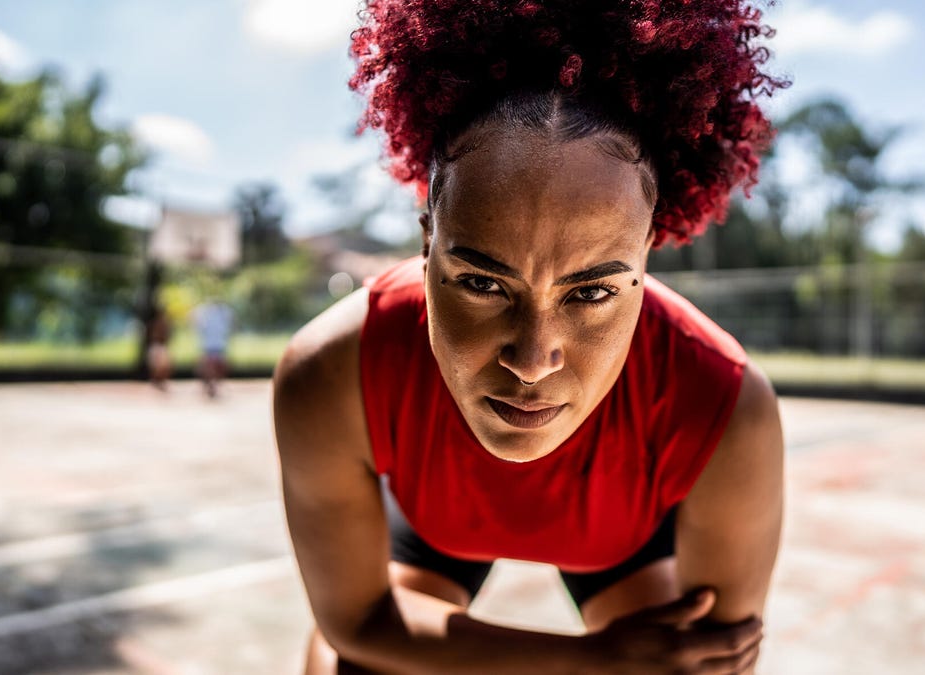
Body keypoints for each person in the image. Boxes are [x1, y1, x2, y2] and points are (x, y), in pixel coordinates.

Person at [274, 1, 788, 672]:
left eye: (592, 291)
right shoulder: (334, 372)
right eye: (483, 283)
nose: (533, 360)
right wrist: (590, 661)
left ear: (646, 252)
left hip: (623, 543)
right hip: (438, 531)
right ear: (428, 241)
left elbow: (718, 657)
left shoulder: (723, 406)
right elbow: (356, 621)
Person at [192, 296, 233, 398]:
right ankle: (209, 385)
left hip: (217, 345)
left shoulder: (222, 312)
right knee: (209, 367)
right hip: (210, 346)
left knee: (217, 367)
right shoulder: (205, 312)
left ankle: (212, 386)